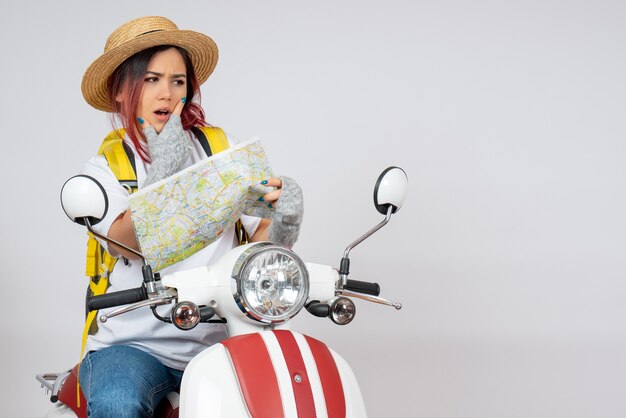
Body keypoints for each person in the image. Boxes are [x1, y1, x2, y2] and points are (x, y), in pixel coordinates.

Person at [77, 16, 303, 418]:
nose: (166, 93)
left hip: (222, 339)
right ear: (119, 91)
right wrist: (164, 170)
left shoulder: (220, 149)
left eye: (178, 81)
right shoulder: (104, 170)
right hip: (134, 346)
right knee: (119, 405)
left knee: (286, 396)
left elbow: (257, 250)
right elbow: (126, 244)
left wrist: (284, 219)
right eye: (150, 79)